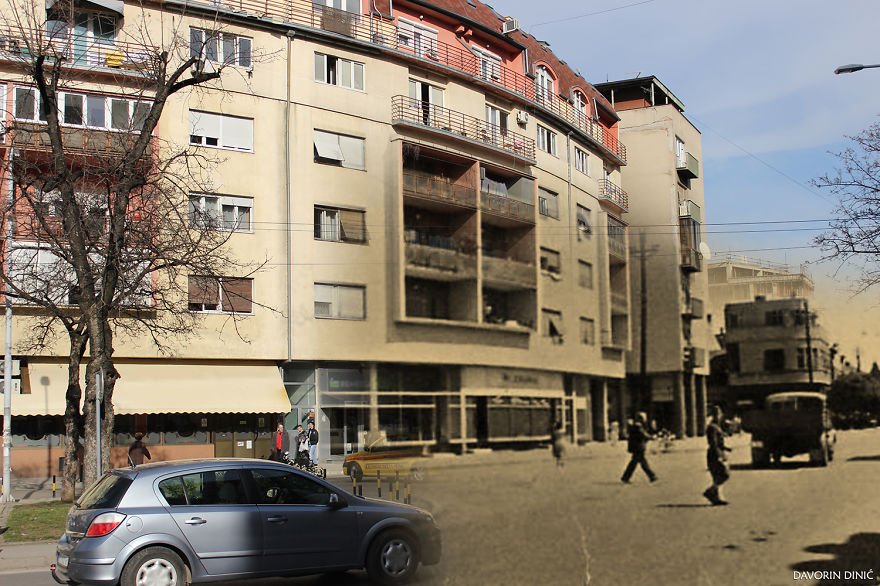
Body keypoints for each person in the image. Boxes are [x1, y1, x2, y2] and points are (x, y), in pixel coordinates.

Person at [703, 405, 732, 505]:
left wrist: (726, 448)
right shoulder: (712, 427)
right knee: (724, 474)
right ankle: (711, 491)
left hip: (717, 452)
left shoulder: (716, 426)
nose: (718, 416)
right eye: (716, 414)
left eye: (718, 414)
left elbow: (719, 443)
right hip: (714, 454)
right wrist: (719, 456)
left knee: (718, 476)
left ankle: (717, 497)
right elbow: (713, 443)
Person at [621, 412, 657, 484]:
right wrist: (652, 437)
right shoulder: (638, 426)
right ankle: (651, 476)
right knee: (641, 462)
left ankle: (625, 477)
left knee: (635, 462)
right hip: (638, 447)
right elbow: (643, 435)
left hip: (636, 447)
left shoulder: (634, 426)